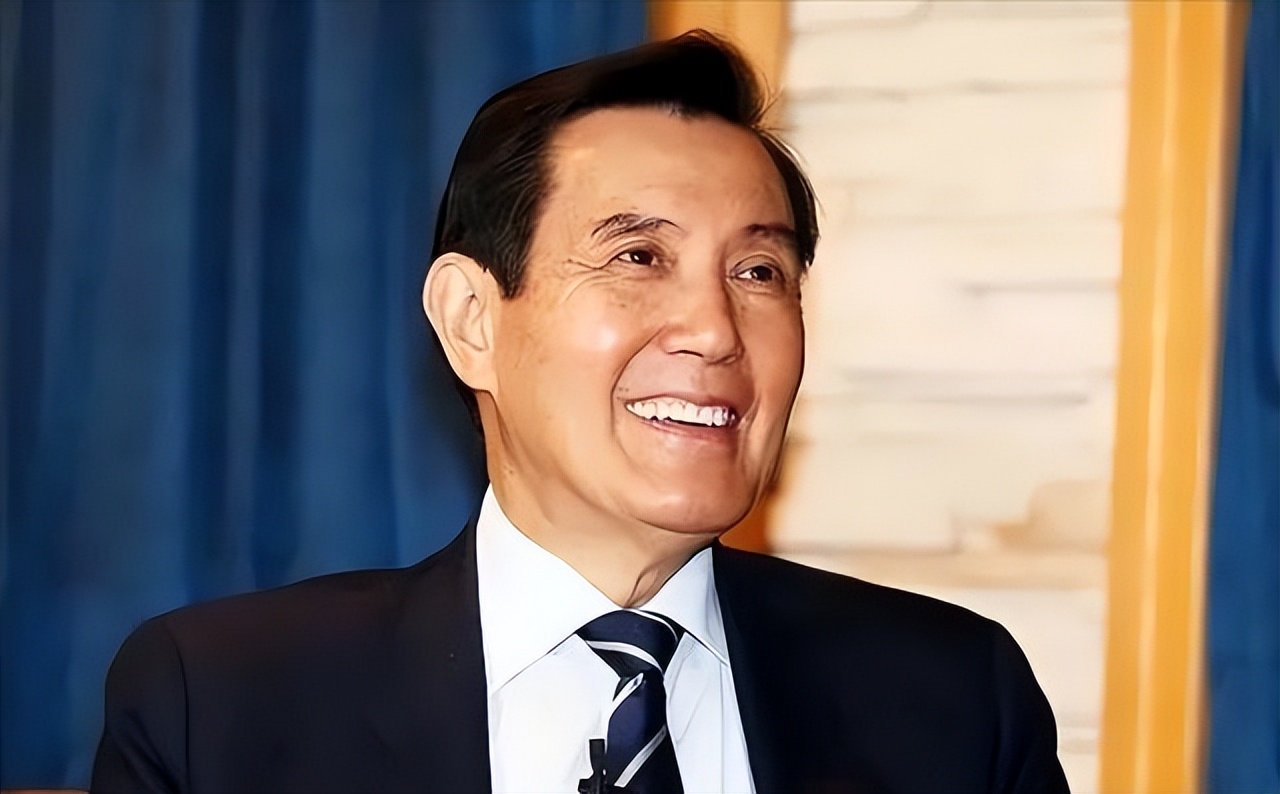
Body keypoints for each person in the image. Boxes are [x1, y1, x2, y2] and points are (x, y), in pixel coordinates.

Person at [91, 32, 1069, 793]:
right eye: (638, 257)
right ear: (471, 319)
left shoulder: (953, 701)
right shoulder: (219, 705)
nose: (713, 330)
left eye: (758, 271)